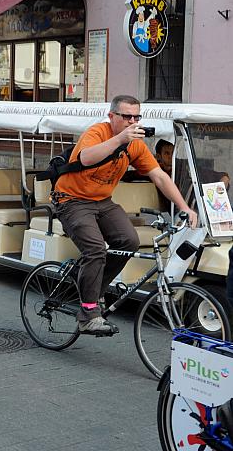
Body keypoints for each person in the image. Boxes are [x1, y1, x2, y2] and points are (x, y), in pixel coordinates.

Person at [53, 95, 198, 335]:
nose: (132, 121)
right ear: (112, 117)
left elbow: (160, 176)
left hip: (103, 201)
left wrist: (185, 207)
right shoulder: (97, 132)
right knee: (96, 249)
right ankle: (88, 314)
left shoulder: (136, 145)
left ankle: (91, 287)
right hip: (72, 200)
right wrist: (120, 138)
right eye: (126, 116)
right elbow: (86, 157)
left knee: (129, 241)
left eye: (136, 117)